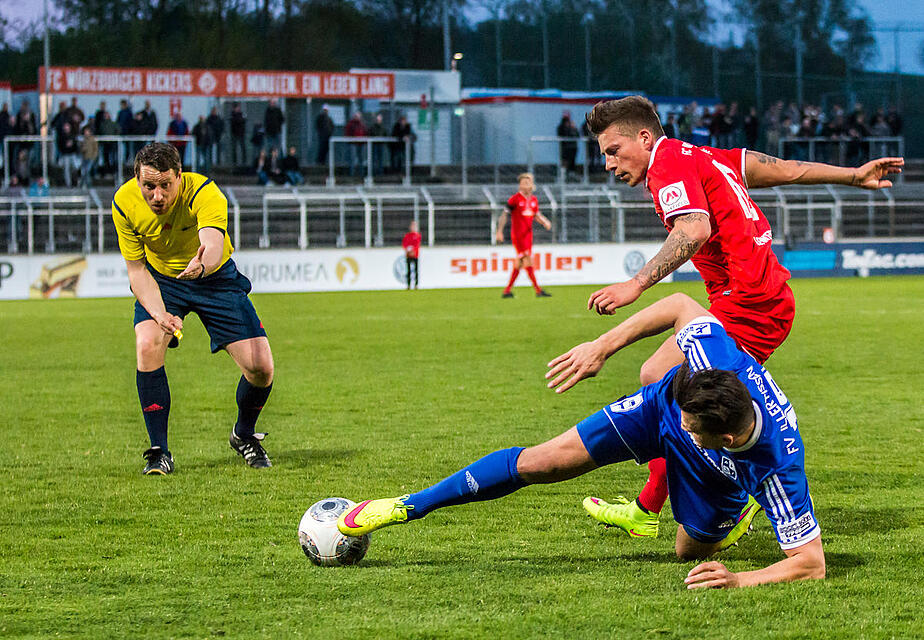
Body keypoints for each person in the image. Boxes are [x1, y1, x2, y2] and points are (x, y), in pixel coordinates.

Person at [337, 293, 825, 589]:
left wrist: (739, 578)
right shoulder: (716, 361)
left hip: (718, 475)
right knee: (545, 460)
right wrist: (602, 346)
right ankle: (410, 505)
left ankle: (738, 508)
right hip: (656, 408)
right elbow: (681, 306)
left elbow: (810, 565)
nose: (685, 424)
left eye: (692, 425)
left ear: (726, 437)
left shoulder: (777, 468)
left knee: (687, 554)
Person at [579, 95, 904, 538]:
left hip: (749, 304)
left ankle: (726, 500)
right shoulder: (704, 155)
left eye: (613, 151)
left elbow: (694, 228)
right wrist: (852, 174)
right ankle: (652, 505)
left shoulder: (668, 164)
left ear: (644, 136)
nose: (609, 163)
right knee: (680, 390)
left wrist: (634, 285)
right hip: (757, 300)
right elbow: (784, 169)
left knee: (658, 375)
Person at [110, 142, 275, 475]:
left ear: (179, 177)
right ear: (137, 181)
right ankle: (159, 452)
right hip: (163, 280)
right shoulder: (124, 203)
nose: (157, 195)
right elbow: (137, 270)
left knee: (261, 368)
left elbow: (212, 244)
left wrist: (203, 266)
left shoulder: (205, 193)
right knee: (147, 343)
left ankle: (243, 434)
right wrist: (159, 314)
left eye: (165, 185)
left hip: (213, 276)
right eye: (149, 186)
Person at [495, 172, 552, 298]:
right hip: (518, 235)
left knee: (520, 263)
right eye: (524, 182)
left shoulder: (533, 200)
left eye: (528, 182)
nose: (526, 185)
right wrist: (499, 231)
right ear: (520, 185)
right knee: (528, 260)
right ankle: (538, 290)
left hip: (528, 235)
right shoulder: (515, 199)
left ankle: (507, 291)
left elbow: (536, 214)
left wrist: (545, 222)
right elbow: (504, 215)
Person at [345, 111, 367, 177]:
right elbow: (347, 133)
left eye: (358, 116)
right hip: (353, 143)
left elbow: (365, 132)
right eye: (356, 116)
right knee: (352, 159)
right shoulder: (350, 124)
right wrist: (350, 140)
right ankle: (352, 174)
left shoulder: (362, 124)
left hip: (361, 144)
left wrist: (364, 140)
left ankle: (361, 174)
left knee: (361, 159)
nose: (357, 117)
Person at [402, 220, 421, 290]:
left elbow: (417, 245)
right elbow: (404, 244)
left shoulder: (417, 235)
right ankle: (408, 285)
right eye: (412, 225)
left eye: (414, 226)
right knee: (408, 270)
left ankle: (416, 285)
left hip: (415, 255)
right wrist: (408, 250)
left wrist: (413, 251)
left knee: (416, 270)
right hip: (408, 255)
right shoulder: (407, 235)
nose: (413, 227)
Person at [229, 102, 247, 167]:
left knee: (243, 148)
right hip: (234, 134)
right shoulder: (232, 115)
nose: (237, 109)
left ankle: (244, 161)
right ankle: (234, 162)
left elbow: (243, 122)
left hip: (241, 134)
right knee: (234, 148)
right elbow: (235, 122)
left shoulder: (241, 114)